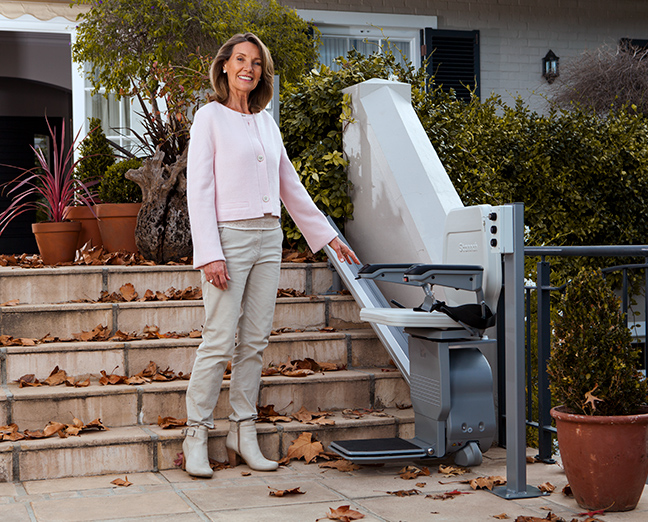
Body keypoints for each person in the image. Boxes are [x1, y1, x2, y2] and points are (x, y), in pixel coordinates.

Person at [183, 32, 359, 478]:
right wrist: (209, 252)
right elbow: (198, 189)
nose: (249, 67)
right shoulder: (208, 118)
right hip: (229, 238)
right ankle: (196, 434)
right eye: (240, 59)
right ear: (224, 66)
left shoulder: (266, 122)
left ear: (262, 72)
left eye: (256, 62)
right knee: (220, 339)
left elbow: (290, 187)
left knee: (256, 341)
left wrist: (329, 236)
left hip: (268, 237)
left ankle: (242, 432)